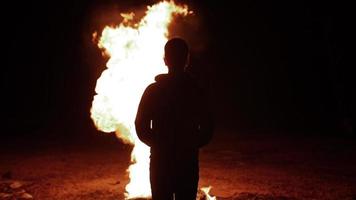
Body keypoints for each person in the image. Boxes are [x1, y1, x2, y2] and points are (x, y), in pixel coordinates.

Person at [135, 38, 214, 200]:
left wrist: (158, 144)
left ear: (165, 60)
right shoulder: (196, 91)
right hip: (187, 161)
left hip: (161, 161)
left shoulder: (153, 91)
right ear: (187, 60)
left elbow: (140, 125)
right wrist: (192, 143)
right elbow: (208, 124)